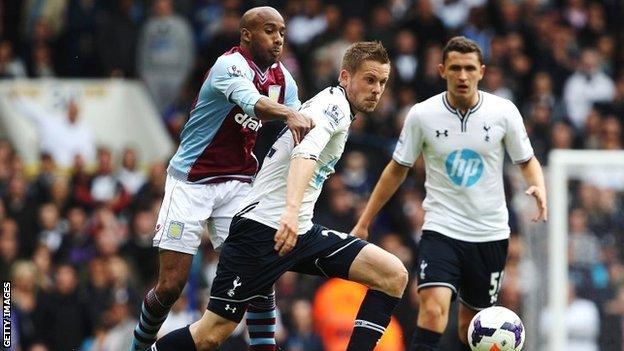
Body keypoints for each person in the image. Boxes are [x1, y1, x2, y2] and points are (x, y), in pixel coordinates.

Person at [152, 41, 408, 351]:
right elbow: (305, 154)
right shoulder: (333, 107)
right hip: (260, 231)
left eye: (382, 82)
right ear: (345, 76)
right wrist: (289, 211)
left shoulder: (338, 108)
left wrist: (295, 217)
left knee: (392, 274)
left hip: (298, 232)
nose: (377, 89)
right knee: (211, 334)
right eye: (369, 79)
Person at [129, 6, 314, 351]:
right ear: (246, 34)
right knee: (171, 285)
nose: (278, 40)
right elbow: (252, 104)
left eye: (282, 33)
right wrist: (291, 113)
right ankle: (139, 345)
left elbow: (299, 123)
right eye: (269, 31)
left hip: (237, 184)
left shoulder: (283, 79)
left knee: (259, 276)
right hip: (191, 181)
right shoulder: (228, 66)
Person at [351, 36, 547, 351]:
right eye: (455, 68)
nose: (462, 75)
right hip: (442, 228)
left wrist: (538, 186)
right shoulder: (422, 115)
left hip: (490, 233)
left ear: (481, 71)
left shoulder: (503, 112)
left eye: (469, 68)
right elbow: (396, 169)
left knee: (472, 327)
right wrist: (365, 220)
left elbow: (528, 160)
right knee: (432, 309)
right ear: (442, 70)